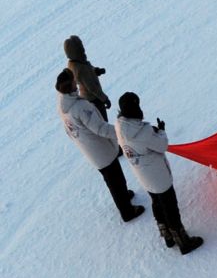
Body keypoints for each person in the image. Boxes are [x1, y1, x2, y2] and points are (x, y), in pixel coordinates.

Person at [115, 93, 203, 254]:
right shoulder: (144, 132)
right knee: (170, 206)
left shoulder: (120, 126)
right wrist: (161, 131)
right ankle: (183, 241)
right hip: (158, 175)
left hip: (143, 174)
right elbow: (162, 145)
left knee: (156, 202)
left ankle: (167, 235)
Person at [56, 70, 143, 221]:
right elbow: (100, 129)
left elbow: (69, 131)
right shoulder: (80, 107)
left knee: (113, 178)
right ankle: (127, 211)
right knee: (115, 179)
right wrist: (121, 133)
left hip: (91, 150)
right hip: (101, 150)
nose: (76, 82)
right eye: (74, 81)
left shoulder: (63, 104)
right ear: (70, 85)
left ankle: (123, 197)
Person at [63, 35, 110, 116]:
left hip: (87, 98)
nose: (83, 50)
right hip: (94, 99)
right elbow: (92, 88)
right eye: (81, 48)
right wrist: (104, 99)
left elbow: (88, 70)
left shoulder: (75, 63)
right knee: (102, 122)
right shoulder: (81, 68)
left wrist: (95, 70)